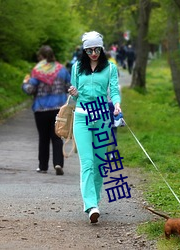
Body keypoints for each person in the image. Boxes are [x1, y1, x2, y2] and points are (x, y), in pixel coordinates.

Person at [68, 31, 121, 223]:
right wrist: (73, 92)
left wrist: (116, 104)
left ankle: (95, 201)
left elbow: (114, 90)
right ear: (84, 50)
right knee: (88, 163)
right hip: (81, 117)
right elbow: (74, 97)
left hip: (102, 118)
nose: (93, 53)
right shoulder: (76, 68)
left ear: (102, 48)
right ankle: (90, 205)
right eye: (89, 50)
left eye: (97, 49)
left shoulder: (110, 68)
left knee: (100, 164)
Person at [22, 45, 71, 175]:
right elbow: (69, 87)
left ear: (41, 57)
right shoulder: (62, 70)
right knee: (57, 137)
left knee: (43, 138)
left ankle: (43, 166)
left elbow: (30, 90)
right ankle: (58, 163)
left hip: (41, 109)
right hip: (58, 109)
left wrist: (25, 83)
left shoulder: (37, 71)